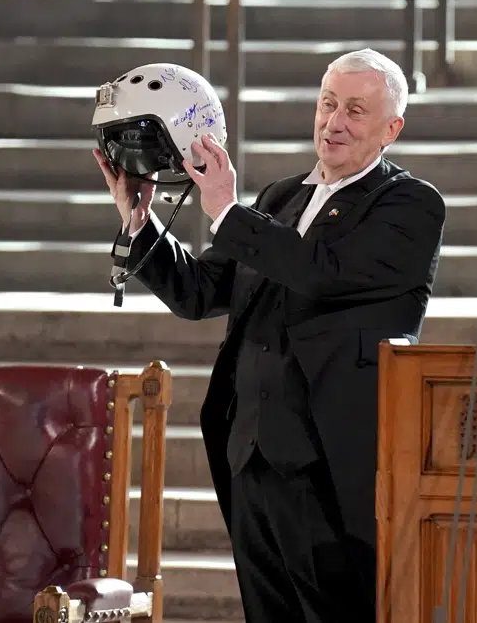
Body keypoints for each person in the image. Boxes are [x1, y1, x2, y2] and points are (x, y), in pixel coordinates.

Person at [94, 49, 446, 623]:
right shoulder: (281, 198)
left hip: (331, 465)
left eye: (355, 111)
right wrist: (140, 220)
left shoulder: (409, 205)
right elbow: (201, 292)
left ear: (391, 130)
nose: (334, 122)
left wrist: (226, 210)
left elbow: (321, 274)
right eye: (327, 104)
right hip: (252, 456)